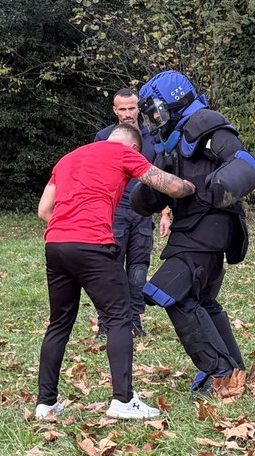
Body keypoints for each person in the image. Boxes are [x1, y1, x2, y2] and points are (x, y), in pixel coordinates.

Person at [35, 123, 195, 420]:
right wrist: (192, 187)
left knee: (59, 322)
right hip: (93, 245)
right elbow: (170, 186)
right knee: (120, 317)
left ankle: (46, 403)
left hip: (56, 244)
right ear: (134, 148)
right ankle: (123, 400)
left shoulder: (69, 158)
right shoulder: (124, 153)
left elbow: (45, 210)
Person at [130, 71, 255, 399]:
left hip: (210, 226)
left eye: (154, 111)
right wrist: (147, 193)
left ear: (172, 101)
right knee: (202, 301)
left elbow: (242, 161)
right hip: (191, 229)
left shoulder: (206, 123)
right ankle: (233, 369)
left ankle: (223, 373)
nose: (152, 120)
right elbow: (157, 192)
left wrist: (222, 185)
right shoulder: (171, 141)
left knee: (170, 293)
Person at [94, 88, 171, 338]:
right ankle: (106, 323)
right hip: (113, 212)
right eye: (123, 109)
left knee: (138, 270)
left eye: (132, 107)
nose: (128, 113)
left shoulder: (153, 138)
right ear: (115, 110)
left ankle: (135, 321)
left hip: (143, 213)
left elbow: (162, 178)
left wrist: (165, 213)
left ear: (139, 108)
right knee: (111, 268)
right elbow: (95, 177)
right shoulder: (104, 137)